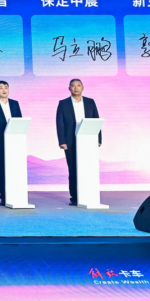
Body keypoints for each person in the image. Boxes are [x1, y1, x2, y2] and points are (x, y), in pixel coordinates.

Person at [56, 78, 102, 206]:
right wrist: (62, 141)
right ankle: (75, 197)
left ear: (83, 88)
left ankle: (88, 194)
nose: (76, 88)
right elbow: (60, 123)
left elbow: (96, 120)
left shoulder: (90, 102)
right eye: (73, 86)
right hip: (70, 141)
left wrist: (98, 139)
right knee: (73, 169)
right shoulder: (63, 103)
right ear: (69, 88)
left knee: (88, 168)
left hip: (88, 140)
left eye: (78, 85)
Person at [0, 80, 23, 206]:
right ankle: (4, 196)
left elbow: (20, 122)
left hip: (15, 141)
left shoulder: (15, 104)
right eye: (1, 88)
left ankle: (16, 194)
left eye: (6, 87)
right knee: (2, 168)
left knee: (15, 168)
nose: (4, 90)